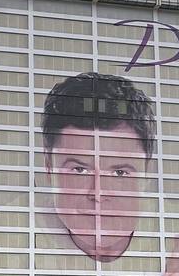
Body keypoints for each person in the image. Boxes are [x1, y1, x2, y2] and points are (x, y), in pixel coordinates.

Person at [41, 72, 156, 262]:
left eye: (119, 173)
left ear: (147, 174)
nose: (98, 193)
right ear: (48, 168)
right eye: (79, 170)